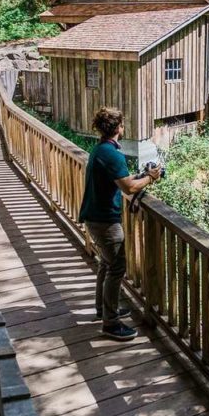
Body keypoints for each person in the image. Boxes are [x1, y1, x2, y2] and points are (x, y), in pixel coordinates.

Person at [79, 107, 162, 340]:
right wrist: (151, 177)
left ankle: (104, 309)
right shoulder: (113, 155)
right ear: (118, 128)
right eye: (122, 124)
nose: (123, 128)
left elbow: (121, 180)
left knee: (106, 265)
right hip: (105, 221)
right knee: (116, 268)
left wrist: (140, 176)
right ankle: (111, 323)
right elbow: (129, 188)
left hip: (94, 217)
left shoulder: (101, 149)